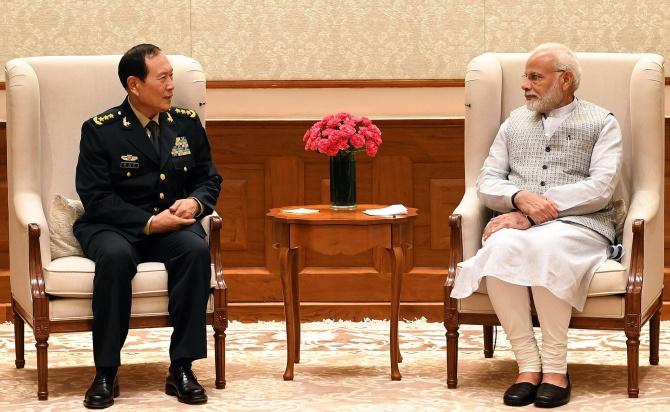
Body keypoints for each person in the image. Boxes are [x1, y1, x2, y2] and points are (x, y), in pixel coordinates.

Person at [450, 43, 622, 408]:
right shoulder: (513, 122)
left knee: (545, 246)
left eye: (535, 77)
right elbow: (487, 180)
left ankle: (557, 369)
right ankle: (528, 366)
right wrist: (517, 199)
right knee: (499, 246)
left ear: (566, 79)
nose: (525, 85)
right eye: (524, 77)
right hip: (518, 220)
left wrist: (534, 213)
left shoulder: (603, 121)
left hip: (583, 224)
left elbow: (601, 187)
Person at [74, 43, 222, 408]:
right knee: (115, 259)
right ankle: (106, 371)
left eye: (172, 76)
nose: (172, 84)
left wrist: (195, 202)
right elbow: (96, 197)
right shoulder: (100, 130)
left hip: (170, 224)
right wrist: (148, 222)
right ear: (134, 85)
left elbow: (208, 177)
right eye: (163, 77)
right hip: (113, 225)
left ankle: (182, 367)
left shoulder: (185, 122)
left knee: (194, 250)